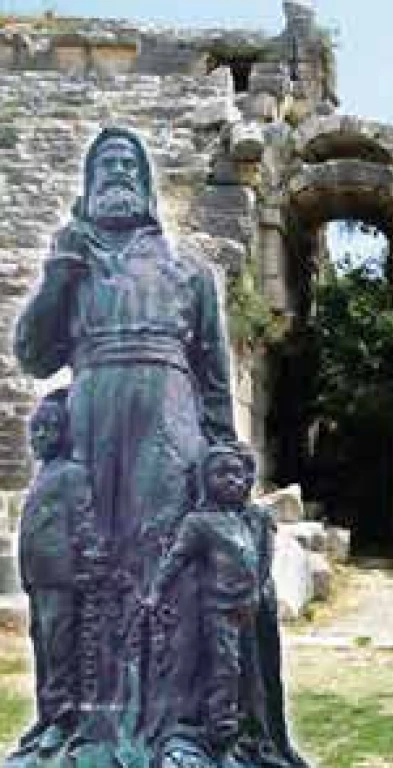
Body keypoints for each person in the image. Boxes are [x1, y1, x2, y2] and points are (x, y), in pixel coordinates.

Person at [13, 126, 236, 744]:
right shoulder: (72, 263)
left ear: (146, 181)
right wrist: (59, 275)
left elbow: (215, 376)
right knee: (88, 572)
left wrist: (225, 452)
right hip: (90, 424)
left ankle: (176, 724)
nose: (116, 173)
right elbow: (32, 354)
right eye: (104, 166)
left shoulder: (189, 269)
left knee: (164, 566)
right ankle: (80, 720)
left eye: (127, 164)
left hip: (169, 429)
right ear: (87, 187)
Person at [146, 443, 309, 767]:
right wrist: (155, 593)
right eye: (221, 474)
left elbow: (262, 562)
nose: (231, 480)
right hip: (218, 612)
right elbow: (174, 560)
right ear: (206, 481)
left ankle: (248, 737)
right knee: (224, 675)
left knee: (250, 678)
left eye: (237, 473)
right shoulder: (199, 522)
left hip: (248, 611)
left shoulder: (253, 520)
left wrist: (258, 596)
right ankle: (221, 744)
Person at [14, 390, 102, 758]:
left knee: (59, 648)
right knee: (43, 648)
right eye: (35, 430)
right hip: (38, 577)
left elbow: (82, 523)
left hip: (61, 578)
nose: (39, 437)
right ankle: (47, 713)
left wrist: (86, 565)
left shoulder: (72, 473)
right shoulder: (43, 475)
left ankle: (63, 718)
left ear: (64, 433)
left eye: (48, 430)